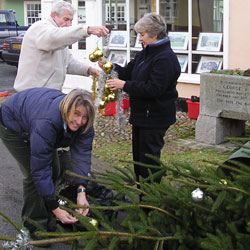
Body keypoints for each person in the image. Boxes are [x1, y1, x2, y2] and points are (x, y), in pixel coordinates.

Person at [0, 88, 95, 239]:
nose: (79, 121)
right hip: (13, 126)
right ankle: (35, 225)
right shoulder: (46, 122)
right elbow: (40, 169)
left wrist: (81, 191)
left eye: (84, 117)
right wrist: (56, 208)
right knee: (33, 176)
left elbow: (81, 156)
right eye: (76, 114)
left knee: (55, 170)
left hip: (37, 123)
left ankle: (48, 211)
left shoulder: (85, 125)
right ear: (67, 108)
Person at [102, 13, 181, 185]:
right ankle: (142, 198)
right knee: (139, 161)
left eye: (142, 35)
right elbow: (128, 72)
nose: (139, 39)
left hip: (155, 118)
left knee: (149, 164)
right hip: (141, 116)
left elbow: (154, 89)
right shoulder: (145, 53)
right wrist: (110, 67)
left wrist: (124, 85)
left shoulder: (165, 58)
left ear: (154, 34)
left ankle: (151, 203)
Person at [14, 0, 109, 92]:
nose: (68, 25)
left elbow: (68, 63)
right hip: (32, 93)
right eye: (65, 19)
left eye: (70, 21)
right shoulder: (41, 28)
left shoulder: (58, 35)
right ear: (53, 15)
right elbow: (54, 37)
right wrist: (87, 30)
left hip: (48, 93)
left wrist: (88, 70)